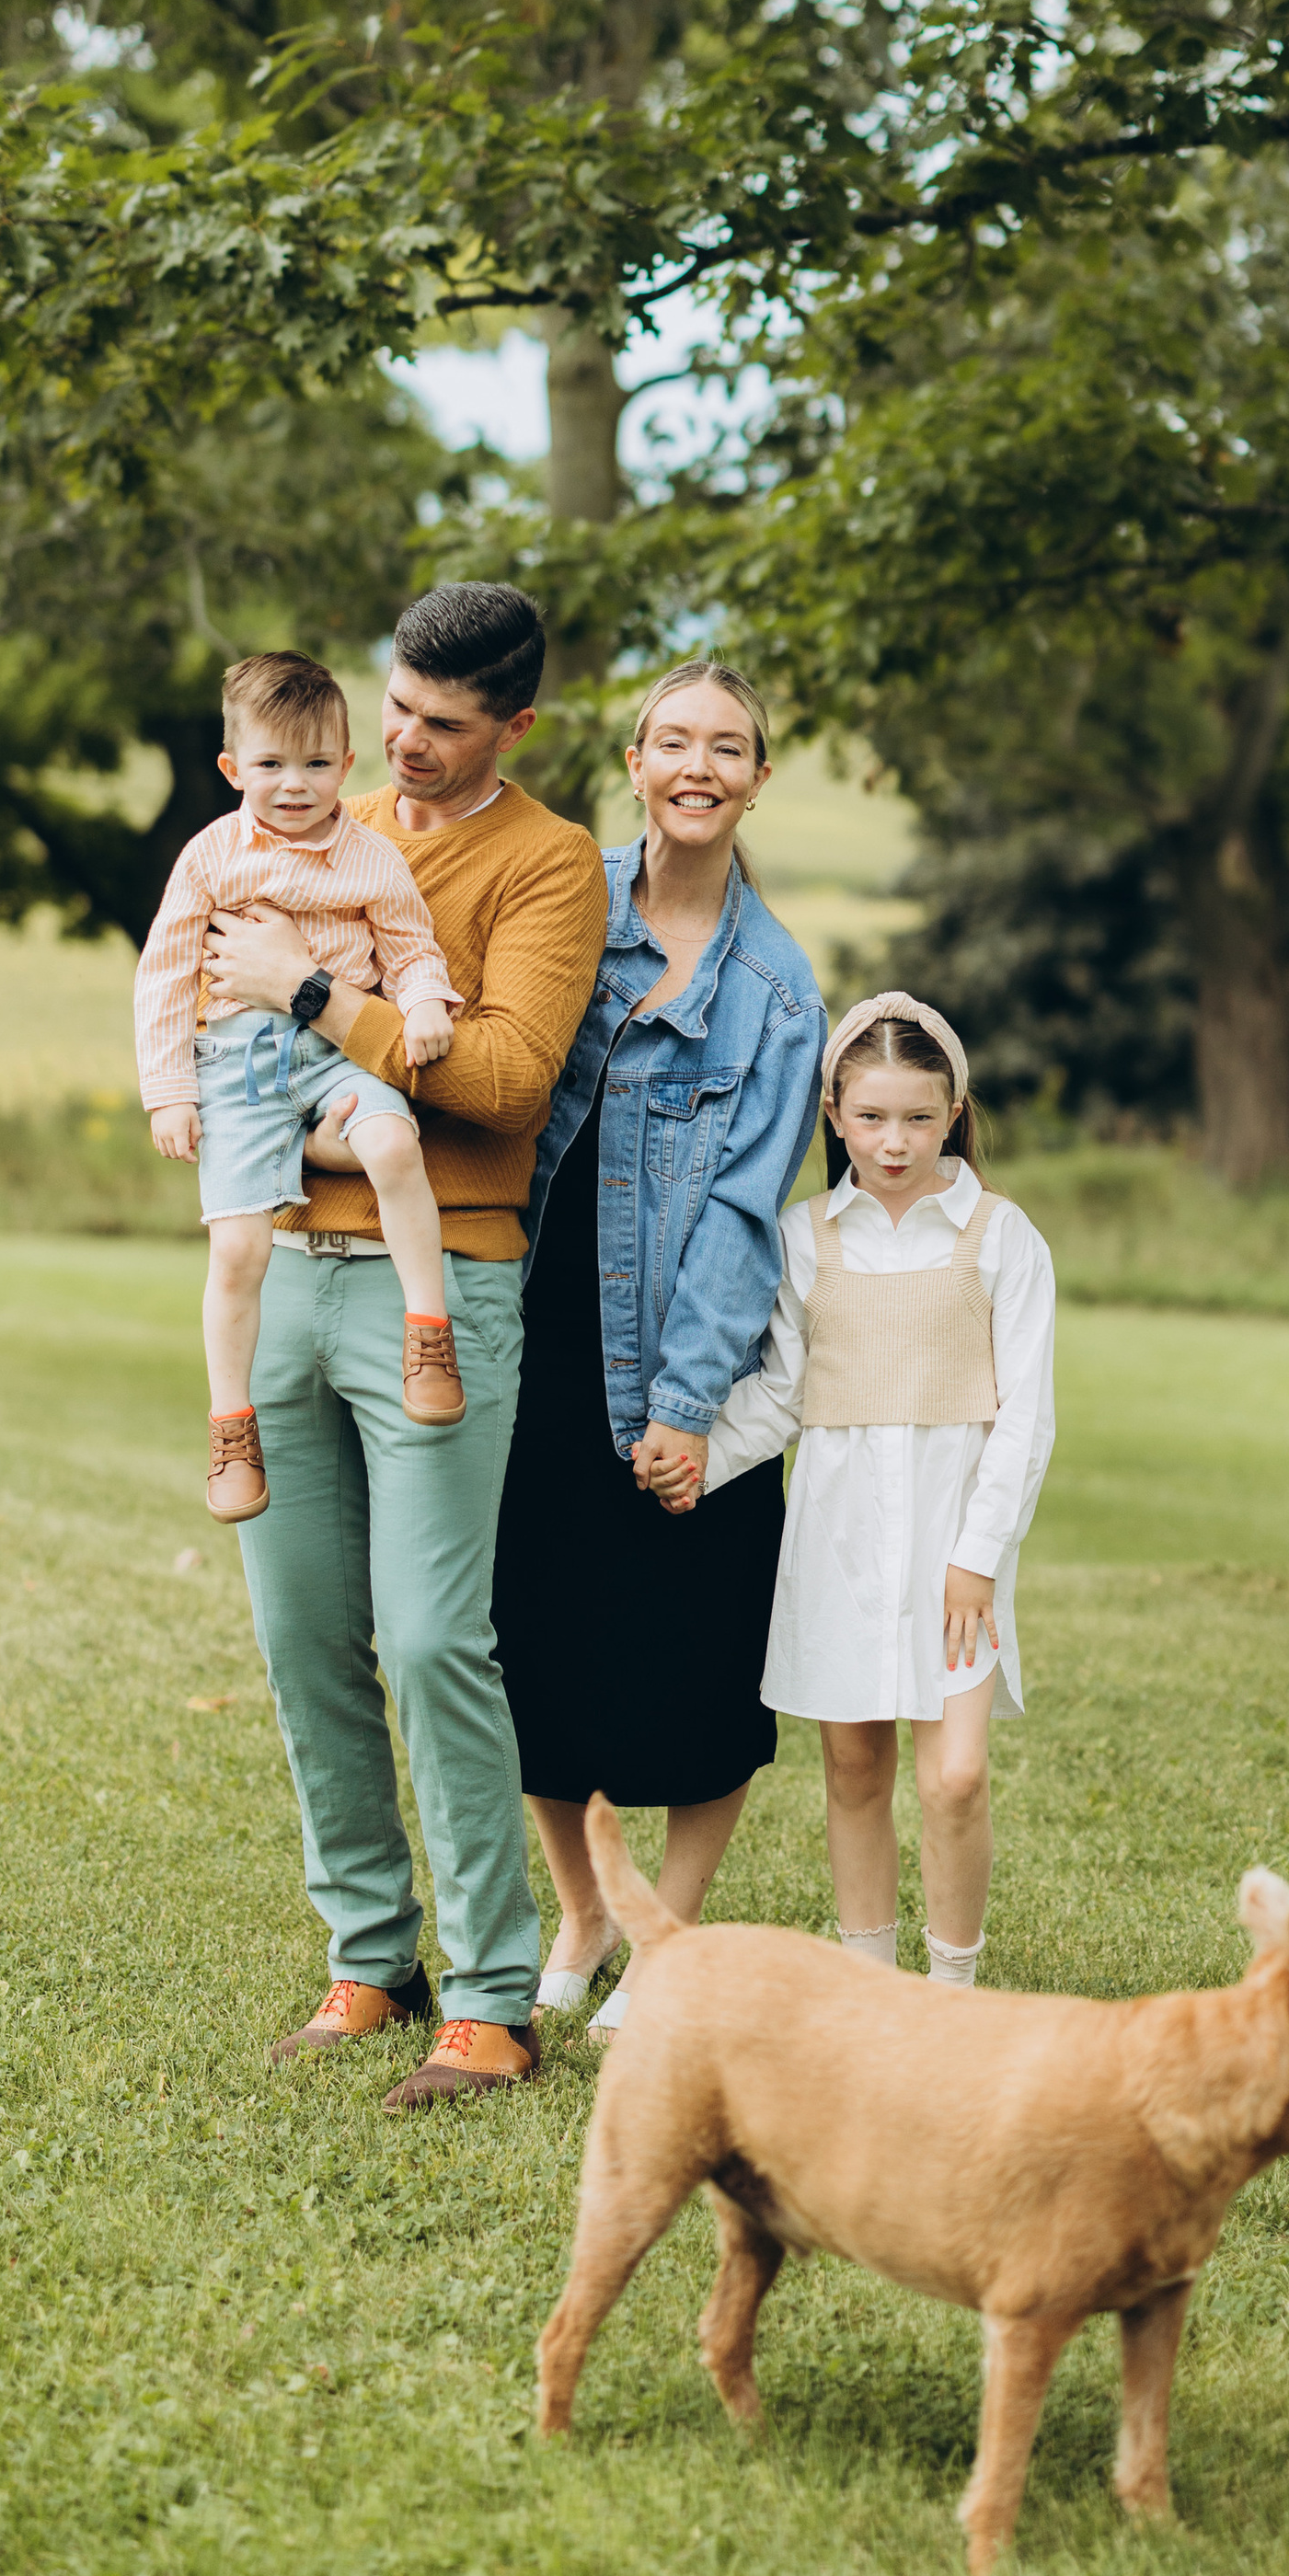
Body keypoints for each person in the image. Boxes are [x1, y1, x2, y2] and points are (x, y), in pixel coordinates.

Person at [198, 584, 607, 2112]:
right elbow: (207, 984)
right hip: (280, 1267)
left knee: (435, 1640)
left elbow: (500, 1081)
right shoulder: (323, 819)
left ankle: (495, 2003)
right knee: (304, 1635)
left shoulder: (551, 864)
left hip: (445, 1283)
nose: (405, 746)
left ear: (514, 723)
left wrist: (313, 996)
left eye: (445, 724)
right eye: (399, 711)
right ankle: (372, 1958)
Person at [493, 660, 825, 2041]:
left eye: (728, 747)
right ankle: (583, 1908)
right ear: (634, 760)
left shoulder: (777, 988)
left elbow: (748, 1211)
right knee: (529, 1642)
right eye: (673, 741)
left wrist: (689, 1404)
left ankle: (670, 1934)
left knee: (702, 1653)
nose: (699, 766)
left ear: (757, 777)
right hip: (534, 1328)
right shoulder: (567, 900)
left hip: (689, 1353)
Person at [671, 994, 1056, 1990]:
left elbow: (1025, 1416)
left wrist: (976, 1559)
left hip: (953, 1556)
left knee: (956, 1778)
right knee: (852, 1770)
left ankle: (952, 1993)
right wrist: (695, 1462)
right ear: (835, 1115)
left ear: (955, 1110)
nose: (895, 1141)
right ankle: (872, 1991)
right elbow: (782, 1396)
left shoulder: (1000, 1236)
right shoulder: (806, 1238)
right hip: (839, 1540)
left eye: (919, 1117)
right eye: (873, 1117)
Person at [133, 651, 471, 1524]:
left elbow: (409, 946)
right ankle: (230, 1425)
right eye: (272, 765)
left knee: (395, 1144)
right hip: (238, 1064)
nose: (295, 785)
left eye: (317, 764)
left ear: (346, 765)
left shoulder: (373, 860)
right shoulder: (212, 856)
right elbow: (166, 975)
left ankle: (427, 1334)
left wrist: (427, 998)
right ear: (232, 768)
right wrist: (169, 1091)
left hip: (338, 1057)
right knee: (239, 1250)